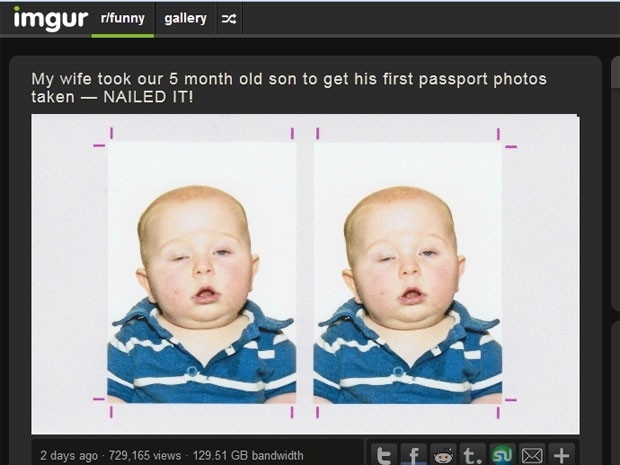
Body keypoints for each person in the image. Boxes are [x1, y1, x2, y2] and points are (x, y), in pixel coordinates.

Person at [108, 185, 296, 403]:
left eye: (222, 252)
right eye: (180, 257)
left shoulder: (271, 346)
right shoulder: (131, 344)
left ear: (251, 272)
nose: (203, 266)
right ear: (149, 284)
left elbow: (293, 409)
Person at [313, 186, 502, 404]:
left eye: (428, 252)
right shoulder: (337, 345)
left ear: (458, 272)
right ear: (355, 285)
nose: (410, 267)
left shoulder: (478, 347)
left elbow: (502, 411)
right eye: (386, 258)